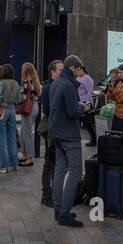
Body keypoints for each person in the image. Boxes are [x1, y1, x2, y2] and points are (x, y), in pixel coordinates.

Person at [47, 55, 86, 227]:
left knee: (59, 170)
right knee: (76, 172)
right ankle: (64, 213)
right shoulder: (69, 85)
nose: (79, 74)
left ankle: (58, 209)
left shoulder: (55, 83)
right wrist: (83, 108)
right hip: (69, 134)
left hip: (56, 132)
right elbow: (72, 112)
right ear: (73, 68)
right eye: (78, 70)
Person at [39, 60, 62, 208]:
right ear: (52, 72)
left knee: (55, 163)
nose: (63, 72)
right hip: (51, 129)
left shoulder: (59, 85)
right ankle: (47, 196)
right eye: (60, 70)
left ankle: (52, 194)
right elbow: (48, 109)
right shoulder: (48, 88)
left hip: (57, 128)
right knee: (50, 162)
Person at [17, 62, 41, 167]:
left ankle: (29, 157)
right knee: (26, 131)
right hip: (35, 106)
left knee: (27, 133)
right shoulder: (36, 81)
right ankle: (25, 154)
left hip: (28, 108)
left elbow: (22, 97)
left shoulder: (26, 81)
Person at [76, 63, 97, 147]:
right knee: (79, 122)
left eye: (79, 70)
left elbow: (89, 92)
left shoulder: (87, 78)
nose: (77, 72)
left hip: (85, 102)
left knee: (87, 123)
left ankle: (93, 139)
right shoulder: (78, 77)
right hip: (79, 102)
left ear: (82, 70)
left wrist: (88, 104)